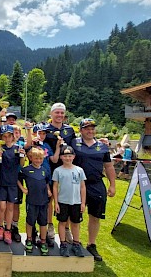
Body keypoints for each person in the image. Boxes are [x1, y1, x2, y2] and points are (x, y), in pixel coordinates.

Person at [71, 118, 116, 261]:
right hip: (76, 184)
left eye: (92, 128)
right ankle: (74, 241)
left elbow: (108, 166)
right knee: (74, 213)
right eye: (86, 128)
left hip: (96, 184)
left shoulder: (102, 146)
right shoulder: (74, 143)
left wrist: (113, 184)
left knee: (95, 216)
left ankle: (91, 244)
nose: (90, 131)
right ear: (81, 130)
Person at [44, 103, 75, 242]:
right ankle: (50, 225)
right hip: (49, 168)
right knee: (49, 198)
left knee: (66, 198)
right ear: (51, 114)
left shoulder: (69, 130)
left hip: (66, 169)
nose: (60, 116)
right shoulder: (45, 129)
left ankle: (66, 228)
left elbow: (75, 148)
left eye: (62, 113)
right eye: (57, 113)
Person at [52, 145, 86, 258]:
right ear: (61, 157)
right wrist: (56, 202)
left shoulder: (79, 170)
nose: (68, 158)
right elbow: (55, 187)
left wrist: (82, 202)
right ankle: (63, 244)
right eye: (65, 156)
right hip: (62, 201)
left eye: (70, 156)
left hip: (76, 202)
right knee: (62, 222)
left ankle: (76, 244)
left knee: (75, 223)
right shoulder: (58, 171)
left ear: (74, 157)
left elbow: (82, 187)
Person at [0, 125, 25, 244]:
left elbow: (21, 165)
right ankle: (0, 227)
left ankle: (8, 229)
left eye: (9, 136)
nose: (7, 138)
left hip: (13, 182)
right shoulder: (0, 148)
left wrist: (22, 155)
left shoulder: (17, 148)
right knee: (2, 207)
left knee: (10, 207)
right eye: (4, 136)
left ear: (13, 136)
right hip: (1, 181)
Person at [18, 147, 52, 256]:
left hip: (43, 201)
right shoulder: (26, 170)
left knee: (43, 222)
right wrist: (23, 189)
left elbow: (46, 182)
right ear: (31, 158)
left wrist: (48, 190)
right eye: (36, 158)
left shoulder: (44, 171)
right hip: (32, 201)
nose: (38, 160)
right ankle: (29, 240)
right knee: (30, 221)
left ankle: (43, 241)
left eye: (40, 159)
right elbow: (17, 179)